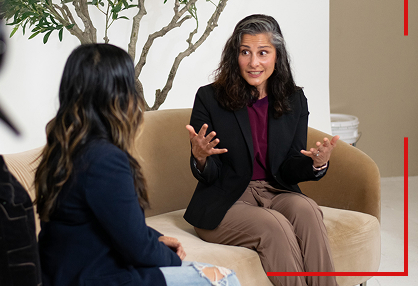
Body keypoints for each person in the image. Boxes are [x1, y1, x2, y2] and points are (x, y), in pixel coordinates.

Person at [35, 44, 241, 286]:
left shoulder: (63, 148)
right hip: (94, 278)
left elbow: (113, 222)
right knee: (224, 279)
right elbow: (138, 250)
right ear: (118, 95)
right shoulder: (105, 159)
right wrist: (170, 257)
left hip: (63, 273)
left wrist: (157, 239)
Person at [184, 15, 341, 286]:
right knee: (274, 226)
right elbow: (211, 174)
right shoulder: (209, 98)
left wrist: (316, 164)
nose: (253, 62)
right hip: (227, 199)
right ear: (235, 56)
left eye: (263, 53)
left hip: (275, 189)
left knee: (308, 210)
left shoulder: (293, 98)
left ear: (277, 56)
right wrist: (200, 158)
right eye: (245, 52)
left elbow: (290, 165)